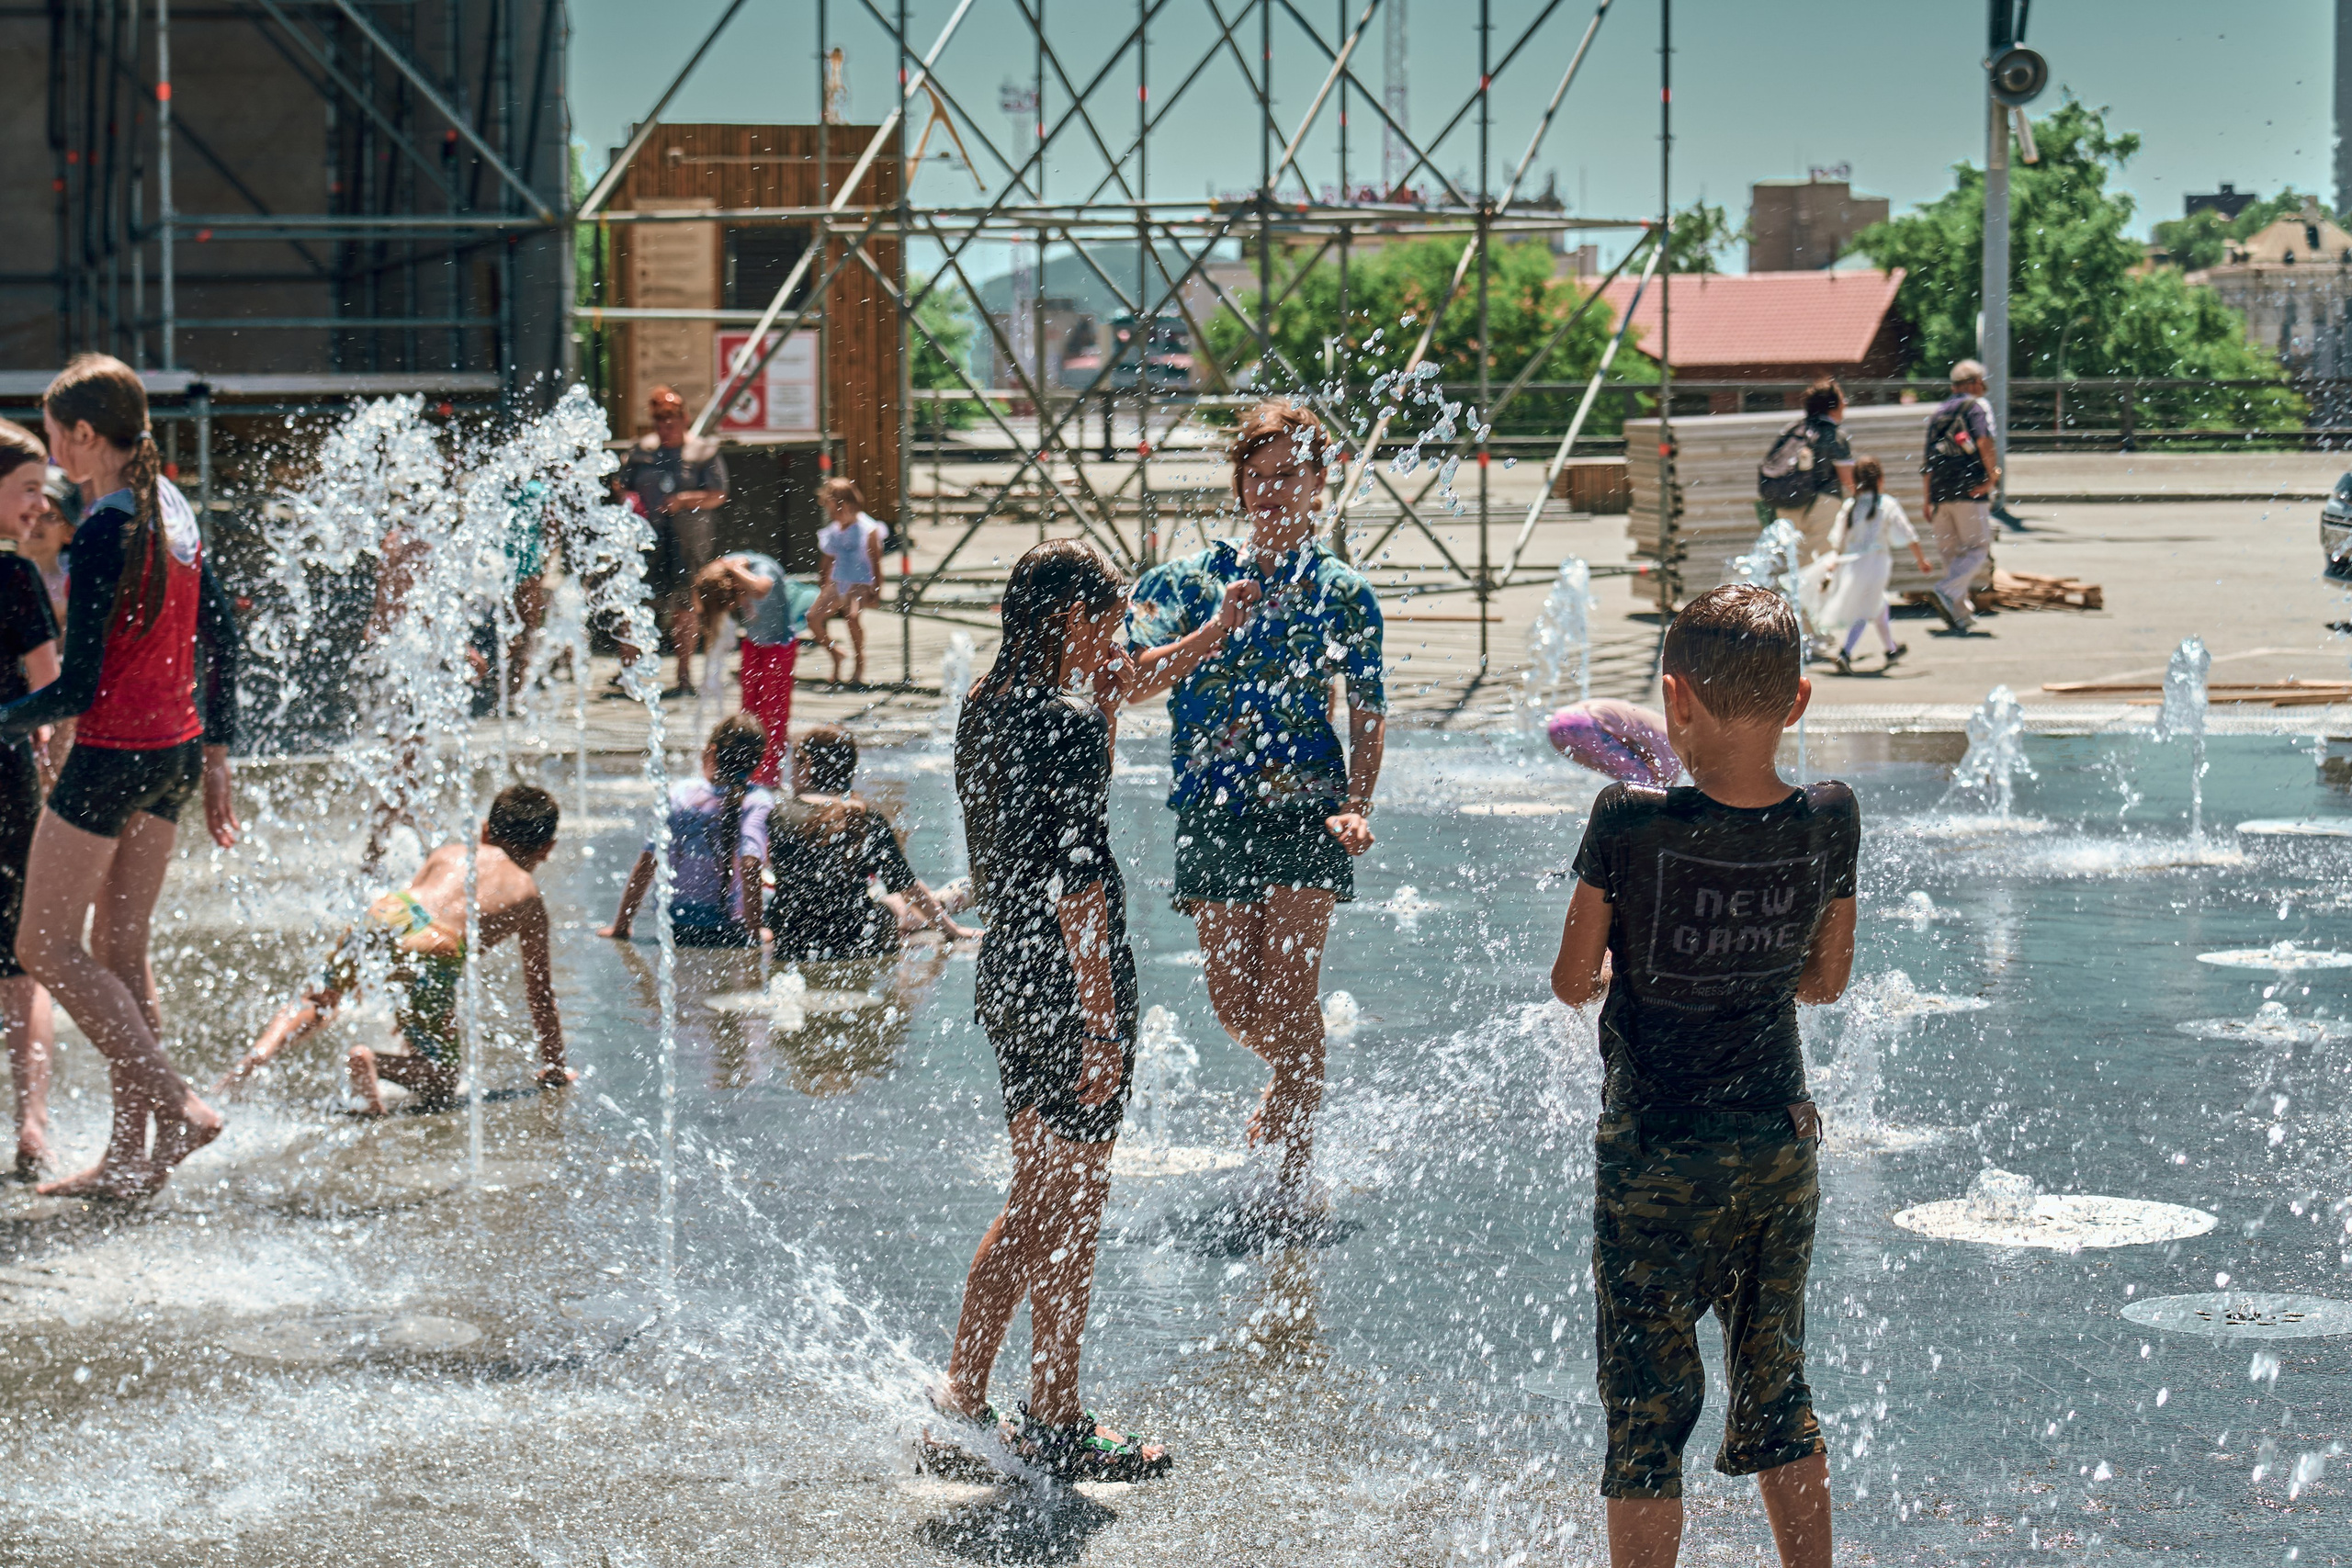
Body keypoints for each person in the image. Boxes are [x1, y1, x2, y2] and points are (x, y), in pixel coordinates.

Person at [1548, 583, 1857, 1568]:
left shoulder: (1626, 822)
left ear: (1673, 700)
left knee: (1645, 1417)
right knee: (1779, 1390)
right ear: (1798, 701)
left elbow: (1569, 980)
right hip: (1775, 1146)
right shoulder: (1829, 817)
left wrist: (1623, 967)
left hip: (1653, 1159)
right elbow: (1826, 978)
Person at [928, 539, 1170, 1483]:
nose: (1117, 641)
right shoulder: (1064, 718)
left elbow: (1034, 826)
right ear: (1072, 619)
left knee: (1042, 1199)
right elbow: (1077, 878)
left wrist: (1197, 641)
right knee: (1066, 1206)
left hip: (1009, 977)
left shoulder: (982, 706)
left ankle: (980, 1399)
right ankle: (1037, 1410)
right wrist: (1104, 1023)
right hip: (1072, 981)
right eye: (1107, 621)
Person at [1124, 399, 1384, 1206]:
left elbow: (1368, 708)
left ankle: (1295, 1177)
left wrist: (1358, 803)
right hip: (1212, 804)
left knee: (1289, 991)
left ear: (1318, 483)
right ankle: (1293, 1081)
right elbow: (1128, 682)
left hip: (1310, 805)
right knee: (1232, 1000)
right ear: (1239, 482)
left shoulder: (1343, 590)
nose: (1273, 492)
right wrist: (1209, 633)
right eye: (1259, 476)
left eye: (1290, 477)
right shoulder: (1182, 582)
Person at [0, 354, 241, 1200]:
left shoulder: (104, 525)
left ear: (86, 434)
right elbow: (224, 636)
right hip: (171, 753)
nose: (54, 453)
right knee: (120, 955)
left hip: (112, 757)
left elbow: (77, 686)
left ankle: (175, 1104)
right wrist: (217, 752)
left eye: (59, 435)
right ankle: (131, 1160)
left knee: (43, 946)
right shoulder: (174, 509)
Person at [218, 784, 574, 1115]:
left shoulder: (450, 852)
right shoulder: (529, 899)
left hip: (388, 910)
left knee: (320, 999)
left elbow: (409, 924)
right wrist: (555, 1066)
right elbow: (539, 993)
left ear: (484, 830)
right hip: (438, 944)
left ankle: (253, 1060)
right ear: (548, 848)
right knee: (443, 1081)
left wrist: (411, 1012)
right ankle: (371, 1061)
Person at [765, 725, 971, 964]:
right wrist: (951, 931)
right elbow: (907, 887)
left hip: (792, 941)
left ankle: (935, 904)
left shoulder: (778, 815)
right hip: (853, 941)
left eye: (794, 765)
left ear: (807, 764)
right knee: (895, 903)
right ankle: (943, 903)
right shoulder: (865, 817)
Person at [0, 423, 61, 1179]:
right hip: (6, 774)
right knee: (20, 959)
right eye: (25, 489)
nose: (39, 506)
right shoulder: (14, 579)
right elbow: (51, 689)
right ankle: (32, 1121)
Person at [602, 714, 773, 949]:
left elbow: (648, 862)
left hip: (678, 924)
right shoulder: (757, 800)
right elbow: (751, 865)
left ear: (711, 751)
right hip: (730, 929)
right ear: (758, 761)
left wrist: (621, 926)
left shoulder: (680, 794)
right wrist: (755, 932)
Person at [616, 386, 729, 696]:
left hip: (687, 541)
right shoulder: (642, 451)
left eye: (671, 420)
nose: (665, 427)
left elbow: (718, 494)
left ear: (684, 418)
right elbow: (621, 485)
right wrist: (631, 501)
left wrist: (683, 499)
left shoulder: (702, 451)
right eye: (658, 421)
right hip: (647, 541)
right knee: (635, 604)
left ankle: (683, 675)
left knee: (685, 607)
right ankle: (630, 673)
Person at [693, 551, 816, 786]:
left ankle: (768, 777)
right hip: (754, 644)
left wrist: (736, 570)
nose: (731, 606)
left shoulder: (759, 568)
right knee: (748, 713)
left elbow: (762, 589)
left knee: (773, 714)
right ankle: (746, 770)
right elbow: (702, 590)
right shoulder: (723, 570)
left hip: (779, 648)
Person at [1819, 456, 1936, 675]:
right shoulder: (1886, 504)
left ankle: (1891, 650)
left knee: (1878, 604)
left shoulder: (1850, 506)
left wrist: (1832, 565)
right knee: (1867, 608)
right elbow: (1909, 534)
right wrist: (1921, 560)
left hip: (1851, 564)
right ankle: (1846, 652)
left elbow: (1838, 540)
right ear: (1880, 479)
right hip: (1875, 564)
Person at [1919, 358, 2002, 634]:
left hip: (1941, 492)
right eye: (1982, 383)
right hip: (1969, 490)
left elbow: (1927, 461)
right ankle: (1946, 590)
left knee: (1952, 555)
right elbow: (1983, 441)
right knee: (1977, 548)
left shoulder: (1938, 413)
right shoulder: (1975, 407)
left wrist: (1927, 498)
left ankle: (1961, 614)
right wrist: (1992, 476)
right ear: (1974, 382)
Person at [1756, 378, 1855, 564]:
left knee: (1796, 561)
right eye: (1843, 399)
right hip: (1823, 503)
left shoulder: (1793, 429)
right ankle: (1819, 593)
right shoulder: (1833, 434)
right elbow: (1848, 479)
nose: (1846, 403)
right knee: (1823, 558)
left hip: (1787, 502)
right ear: (1833, 406)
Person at [808, 478, 888, 687]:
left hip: (860, 580)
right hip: (838, 579)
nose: (832, 514)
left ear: (845, 505)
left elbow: (875, 559)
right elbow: (827, 559)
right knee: (813, 618)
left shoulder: (867, 528)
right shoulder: (835, 529)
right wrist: (822, 581)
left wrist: (877, 588)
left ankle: (860, 659)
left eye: (834, 509)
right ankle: (835, 652)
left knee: (852, 617)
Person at [1546, 699, 1679, 787]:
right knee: (1650, 788)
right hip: (1583, 724)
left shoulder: (1666, 727)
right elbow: (1665, 782)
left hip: (1560, 721)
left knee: (1635, 784)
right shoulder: (1672, 745)